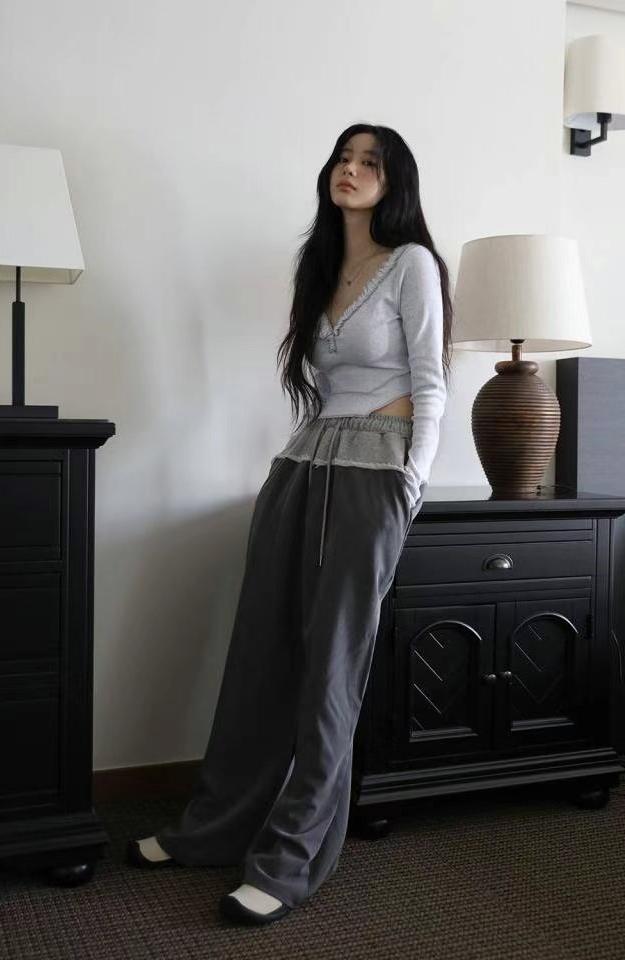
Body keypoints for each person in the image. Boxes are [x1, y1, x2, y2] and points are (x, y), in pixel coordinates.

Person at [125, 123, 453, 925]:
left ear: (394, 182)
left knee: (331, 667)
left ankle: (290, 859)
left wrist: (411, 481)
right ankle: (215, 828)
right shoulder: (321, 267)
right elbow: (322, 388)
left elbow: (431, 381)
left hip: (376, 470)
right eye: (344, 158)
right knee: (260, 653)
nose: (351, 170)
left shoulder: (412, 263)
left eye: (370, 163)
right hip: (302, 464)